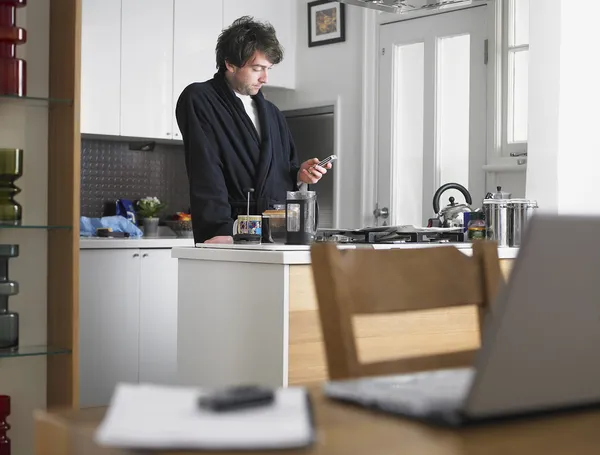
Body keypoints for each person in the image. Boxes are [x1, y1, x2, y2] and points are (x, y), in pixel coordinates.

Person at [176, 16, 332, 244]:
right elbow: (205, 167)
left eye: (268, 69)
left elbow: (281, 171)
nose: (265, 78)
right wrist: (218, 229)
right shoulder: (200, 98)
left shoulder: (273, 113)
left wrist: (299, 176)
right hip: (232, 231)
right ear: (230, 64)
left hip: (277, 232)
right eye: (257, 68)